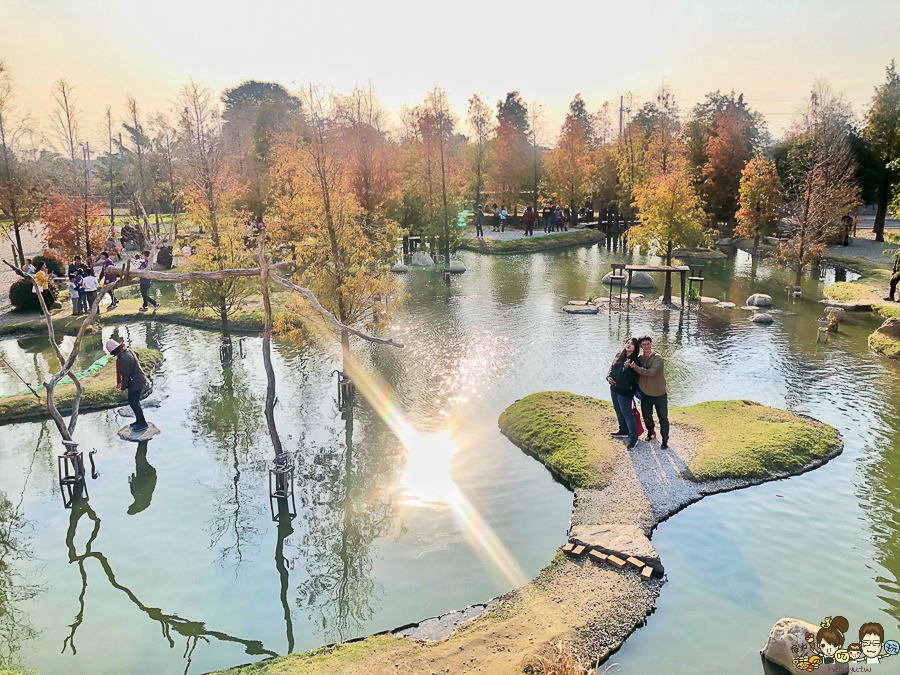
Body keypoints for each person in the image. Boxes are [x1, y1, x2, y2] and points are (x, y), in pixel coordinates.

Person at [628, 335, 670, 448]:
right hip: (645, 394)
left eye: (648, 344)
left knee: (663, 418)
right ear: (641, 346)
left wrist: (635, 367)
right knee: (647, 416)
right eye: (644, 344)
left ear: (651, 344)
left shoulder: (658, 358)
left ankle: (665, 439)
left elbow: (651, 373)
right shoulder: (639, 358)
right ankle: (651, 433)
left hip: (659, 394)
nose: (646, 346)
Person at [607, 337, 642, 449]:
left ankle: (634, 438)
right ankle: (623, 430)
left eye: (631, 344)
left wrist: (627, 368)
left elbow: (632, 378)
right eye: (627, 342)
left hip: (625, 390)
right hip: (614, 388)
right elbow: (612, 368)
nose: (628, 345)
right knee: (618, 410)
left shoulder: (635, 361)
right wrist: (608, 377)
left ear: (635, 347)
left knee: (627, 413)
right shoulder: (619, 354)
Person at [107, 339, 149, 431]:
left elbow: (125, 375)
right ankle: (139, 421)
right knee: (133, 401)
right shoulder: (128, 350)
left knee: (134, 402)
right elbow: (137, 354)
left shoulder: (123, 359)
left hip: (136, 381)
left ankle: (142, 423)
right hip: (139, 378)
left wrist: (122, 389)